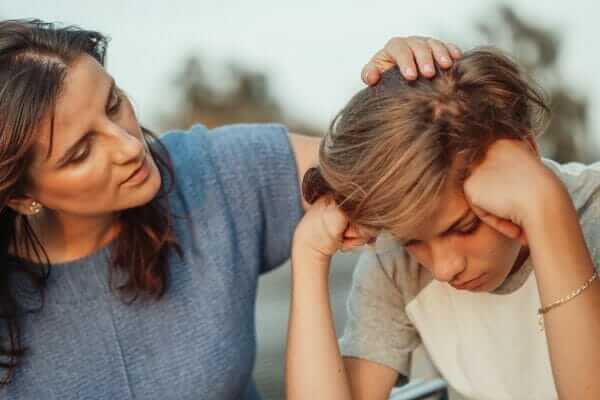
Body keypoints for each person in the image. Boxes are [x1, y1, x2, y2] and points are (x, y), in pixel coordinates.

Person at [0, 19, 460, 399]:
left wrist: (412, 92)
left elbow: (401, 159)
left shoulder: (213, 173)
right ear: (21, 196)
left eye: (114, 104)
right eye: (81, 152)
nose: (127, 146)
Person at [286, 48, 600, 399]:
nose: (445, 268)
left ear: (525, 153)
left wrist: (545, 207)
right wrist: (308, 255)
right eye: (413, 242)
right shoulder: (396, 263)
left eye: (464, 227)